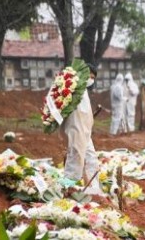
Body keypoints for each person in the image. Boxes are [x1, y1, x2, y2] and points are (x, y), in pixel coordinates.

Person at [60, 63, 103, 195]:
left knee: (91, 159)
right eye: (89, 76)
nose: (91, 80)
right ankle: (67, 189)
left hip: (85, 131)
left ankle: (93, 188)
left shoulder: (83, 90)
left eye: (93, 78)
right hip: (75, 130)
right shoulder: (73, 87)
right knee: (75, 159)